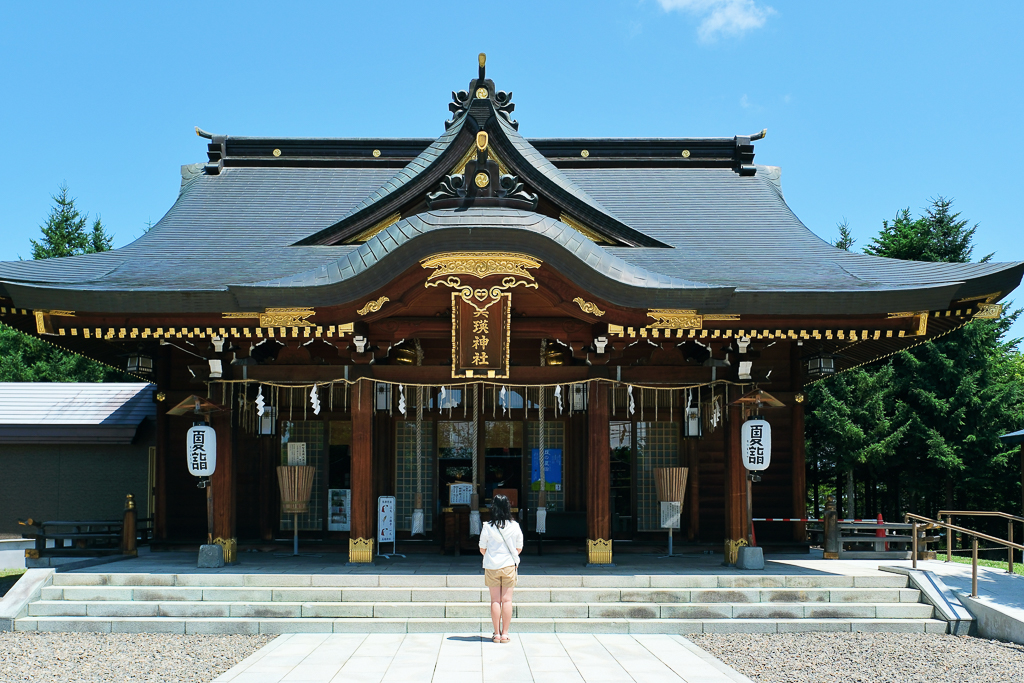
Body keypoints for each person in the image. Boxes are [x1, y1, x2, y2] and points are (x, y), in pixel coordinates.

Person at [478, 493, 522, 643]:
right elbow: (519, 548)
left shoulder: (487, 527)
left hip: (492, 566)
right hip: (509, 565)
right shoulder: (515, 526)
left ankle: (496, 633)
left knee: (495, 600)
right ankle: (505, 634)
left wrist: (491, 554)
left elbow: (482, 548)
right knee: (507, 600)